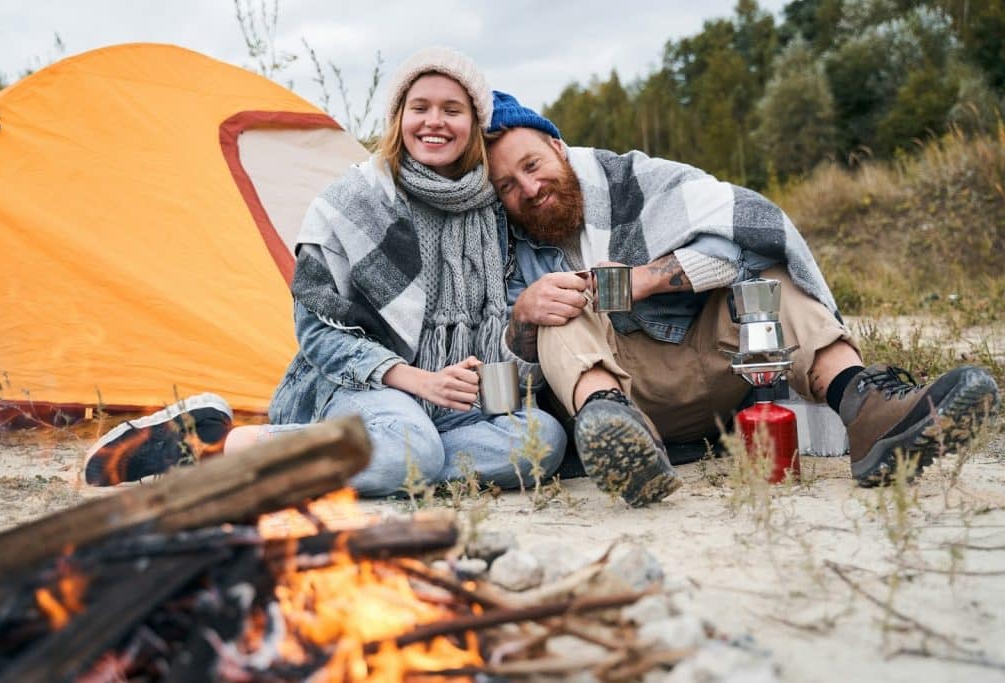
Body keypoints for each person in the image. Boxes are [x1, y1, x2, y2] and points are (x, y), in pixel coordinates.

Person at [83, 49, 567, 495]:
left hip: (455, 405)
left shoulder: (495, 212)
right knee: (411, 448)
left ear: (474, 123)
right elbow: (317, 332)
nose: (434, 122)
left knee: (542, 439)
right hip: (362, 386)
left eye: (452, 109)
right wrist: (417, 380)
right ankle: (210, 446)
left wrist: (502, 345)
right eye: (420, 107)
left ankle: (390, 459)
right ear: (399, 117)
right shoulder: (354, 203)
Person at [483, 90, 1000, 506]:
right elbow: (511, 369)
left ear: (557, 146)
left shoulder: (639, 178)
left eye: (532, 165)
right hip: (624, 394)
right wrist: (523, 318)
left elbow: (744, 230)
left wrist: (646, 278)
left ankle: (867, 407)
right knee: (552, 307)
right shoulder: (508, 249)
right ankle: (618, 438)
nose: (528, 189)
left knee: (766, 271)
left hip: (721, 366)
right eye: (507, 185)